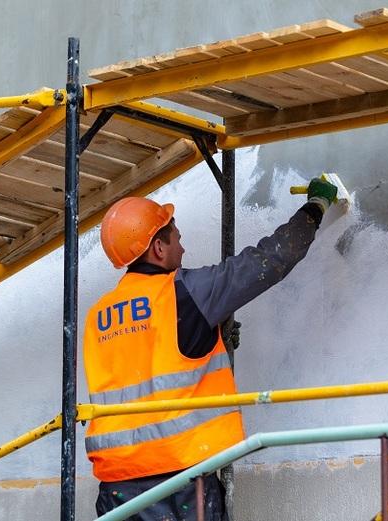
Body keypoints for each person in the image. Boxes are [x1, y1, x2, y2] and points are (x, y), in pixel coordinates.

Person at [83, 177, 339, 520]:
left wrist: (211, 332)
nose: (183, 249)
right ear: (158, 248)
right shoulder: (185, 293)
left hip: (117, 489)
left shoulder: (98, 315)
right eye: (177, 239)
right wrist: (316, 206)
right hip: (180, 480)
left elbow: (149, 361)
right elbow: (270, 260)